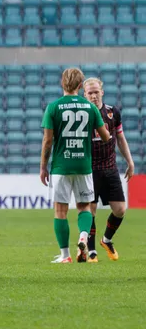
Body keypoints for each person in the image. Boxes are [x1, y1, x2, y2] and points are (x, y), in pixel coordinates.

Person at [40, 68, 110, 264]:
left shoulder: (53, 107)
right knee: (84, 207)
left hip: (61, 166)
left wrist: (43, 166)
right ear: (81, 86)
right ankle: (83, 237)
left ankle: (65, 256)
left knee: (60, 211)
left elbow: (47, 141)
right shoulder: (90, 108)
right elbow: (105, 137)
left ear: (62, 83)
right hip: (83, 165)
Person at [82, 78, 135, 262]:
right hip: (89, 169)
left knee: (120, 209)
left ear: (102, 92)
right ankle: (92, 251)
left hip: (110, 168)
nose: (94, 96)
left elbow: (120, 138)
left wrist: (130, 161)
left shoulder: (113, 113)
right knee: (91, 210)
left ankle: (107, 239)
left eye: (96, 92)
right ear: (84, 95)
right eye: (90, 93)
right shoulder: (82, 115)